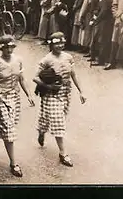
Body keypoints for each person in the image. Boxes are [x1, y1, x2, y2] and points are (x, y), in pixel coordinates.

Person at [34, 32, 87, 167]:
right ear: (51, 44)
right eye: (56, 43)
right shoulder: (46, 59)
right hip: (51, 94)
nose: (59, 45)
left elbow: (73, 74)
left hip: (65, 93)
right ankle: (63, 153)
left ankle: (41, 131)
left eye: (62, 43)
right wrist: (48, 85)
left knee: (48, 118)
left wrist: (81, 91)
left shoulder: (68, 57)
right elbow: (35, 77)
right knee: (58, 123)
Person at [0, 35, 35, 177]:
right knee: (9, 131)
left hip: (15, 98)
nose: (9, 49)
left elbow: (21, 79)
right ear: (1, 47)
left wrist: (29, 95)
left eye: (11, 46)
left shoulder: (18, 60)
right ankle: (14, 164)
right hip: (0, 98)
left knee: (9, 128)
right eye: (6, 47)